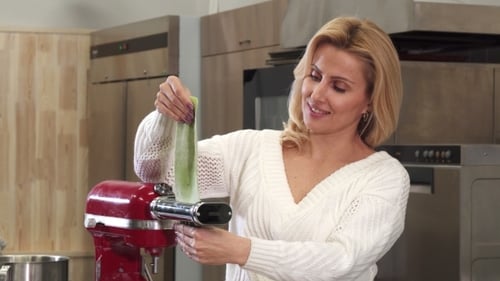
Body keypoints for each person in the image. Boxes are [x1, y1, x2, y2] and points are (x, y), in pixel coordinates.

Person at [134, 16, 410, 281]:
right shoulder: (252, 149)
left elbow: (342, 261)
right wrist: (165, 116)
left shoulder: (384, 177)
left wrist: (241, 251)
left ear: (370, 102)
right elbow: (156, 171)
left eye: (338, 87)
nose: (316, 94)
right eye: (315, 75)